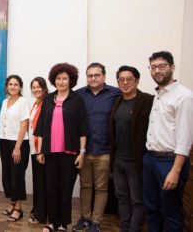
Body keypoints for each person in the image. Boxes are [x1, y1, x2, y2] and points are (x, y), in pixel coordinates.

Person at [34, 63, 88, 232]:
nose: (61, 81)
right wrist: (40, 151)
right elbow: (41, 128)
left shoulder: (77, 99)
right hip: (50, 152)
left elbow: (82, 127)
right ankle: (52, 222)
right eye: (58, 78)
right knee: (51, 189)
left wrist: (82, 152)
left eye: (65, 78)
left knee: (65, 190)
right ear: (53, 80)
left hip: (70, 152)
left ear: (71, 80)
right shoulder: (49, 99)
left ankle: (63, 223)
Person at [143, 51, 193, 232]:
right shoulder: (159, 94)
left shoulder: (184, 96)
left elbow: (185, 139)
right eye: (153, 67)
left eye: (161, 66)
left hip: (169, 161)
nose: (157, 71)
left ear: (172, 68)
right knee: (151, 208)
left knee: (171, 212)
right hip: (150, 159)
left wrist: (175, 171)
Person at [74, 63, 120, 232]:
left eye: (96, 75)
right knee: (85, 185)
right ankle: (84, 218)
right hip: (84, 151)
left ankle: (96, 221)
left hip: (105, 151)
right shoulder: (79, 95)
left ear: (104, 76)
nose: (93, 78)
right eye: (90, 75)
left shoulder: (115, 93)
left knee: (102, 187)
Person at [109, 66, 153, 232]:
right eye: (121, 79)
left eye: (129, 79)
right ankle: (124, 227)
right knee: (122, 197)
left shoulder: (148, 101)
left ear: (137, 81)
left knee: (137, 200)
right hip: (118, 159)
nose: (125, 82)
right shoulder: (117, 101)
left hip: (136, 160)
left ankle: (134, 229)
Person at [0, 75, 30, 222]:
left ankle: (18, 208)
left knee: (17, 176)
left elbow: (24, 125)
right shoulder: (5, 101)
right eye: (10, 84)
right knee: (8, 175)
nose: (13, 87)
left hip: (18, 143)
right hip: (4, 140)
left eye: (16, 84)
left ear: (20, 87)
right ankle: (12, 203)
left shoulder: (23, 102)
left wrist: (17, 147)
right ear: (7, 86)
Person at [27, 77, 49, 224]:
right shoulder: (35, 104)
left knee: (43, 183)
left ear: (44, 88)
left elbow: (46, 129)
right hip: (34, 149)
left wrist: (41, 150)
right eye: (33, 87)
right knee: (37, 182)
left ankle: (41, 214)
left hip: (42, 150)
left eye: (38, 87)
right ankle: (37, 209)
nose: (36, 89)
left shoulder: (48, 104)